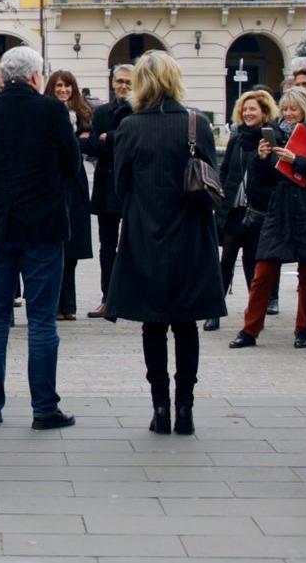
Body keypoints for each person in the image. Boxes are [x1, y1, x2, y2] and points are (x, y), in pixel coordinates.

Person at [0, 45, 86, 430]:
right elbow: (72, 163)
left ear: (2, 76)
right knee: (41, 319)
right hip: (42, 226)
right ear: (36, 77)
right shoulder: (52, 111)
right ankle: (44, 407)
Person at [106, 50, 223, 436]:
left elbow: (120, 184)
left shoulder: (130, 127)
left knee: (152, 324)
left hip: (144, 233)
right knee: (186, 323)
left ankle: (159, 407)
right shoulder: (197, 123)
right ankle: (185, 408)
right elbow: (211, 178)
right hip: (191, 233)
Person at [231, 87, 306, 349]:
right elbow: (261, 181)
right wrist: (261, 158)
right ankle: (249, 330)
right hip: (277, 211)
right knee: (263, 271)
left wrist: (296, 160)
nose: (289, 114)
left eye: (294, 109)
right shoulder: (273, 134)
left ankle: (304, 330)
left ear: (305, 111)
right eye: (286, 109)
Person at [213, 89, 278, 333]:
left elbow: (273, 173)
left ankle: (253, 318)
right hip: (235, 211)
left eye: (253, 109)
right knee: (225, 263)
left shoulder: (269, 139)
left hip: (258, 212)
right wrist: (221, 195)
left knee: (254, 267)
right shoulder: (237, 139)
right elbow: (225, 169)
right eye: (245, 109)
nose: (248, 113)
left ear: (264, 112)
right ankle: (215, 312)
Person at [43, 70, 96, 321]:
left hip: (75, 180)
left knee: (73, 243)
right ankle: (55, 305)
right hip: (54, 178)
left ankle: (69, 305)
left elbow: (93, 143)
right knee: (56, 243)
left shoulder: (83, 113)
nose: (64, 90)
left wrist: (79, 143)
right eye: (59, 86)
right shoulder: (46, 111)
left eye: (68, 86)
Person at [84, 65, 134, 318]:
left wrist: (110, 137)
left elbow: (134, 144)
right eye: (119, 81)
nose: (123, 86)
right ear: (112, 83)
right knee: (107, 245)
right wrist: (105, 140)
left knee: (136, 243)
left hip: (134, 186)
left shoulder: (140, 110)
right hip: (107, 184)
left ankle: (135, 295)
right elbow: (93, 145)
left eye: (128, 82)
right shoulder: (102, 111)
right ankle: (108, 297)